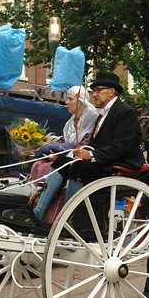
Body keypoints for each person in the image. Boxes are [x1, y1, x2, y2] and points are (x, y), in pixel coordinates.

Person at [57, 72, 144, 204]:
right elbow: (94, 143)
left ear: (111, 91)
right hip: (104, 161)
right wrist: (81, 153)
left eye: (98, 90)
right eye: (94, 91)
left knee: (78, 167)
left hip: (120, 164)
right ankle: (42, 210)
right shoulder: (102, 115)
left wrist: (91, 154)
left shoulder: (125, 112)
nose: (94, 94)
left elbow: (121, 146)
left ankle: (69, 213)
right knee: (61, 162)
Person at [31, 85, 100, 222]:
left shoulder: (92, 119)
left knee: (63, 163)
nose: (66, 102)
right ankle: (39, 209)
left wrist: (59, 152)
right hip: (70, 159)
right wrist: (55, 152)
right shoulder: (70, 123)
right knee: (44, 163)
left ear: (81, 101)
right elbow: (64, 142)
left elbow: (85, 145)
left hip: (86, 161)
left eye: (70, 99)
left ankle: (67, 215)